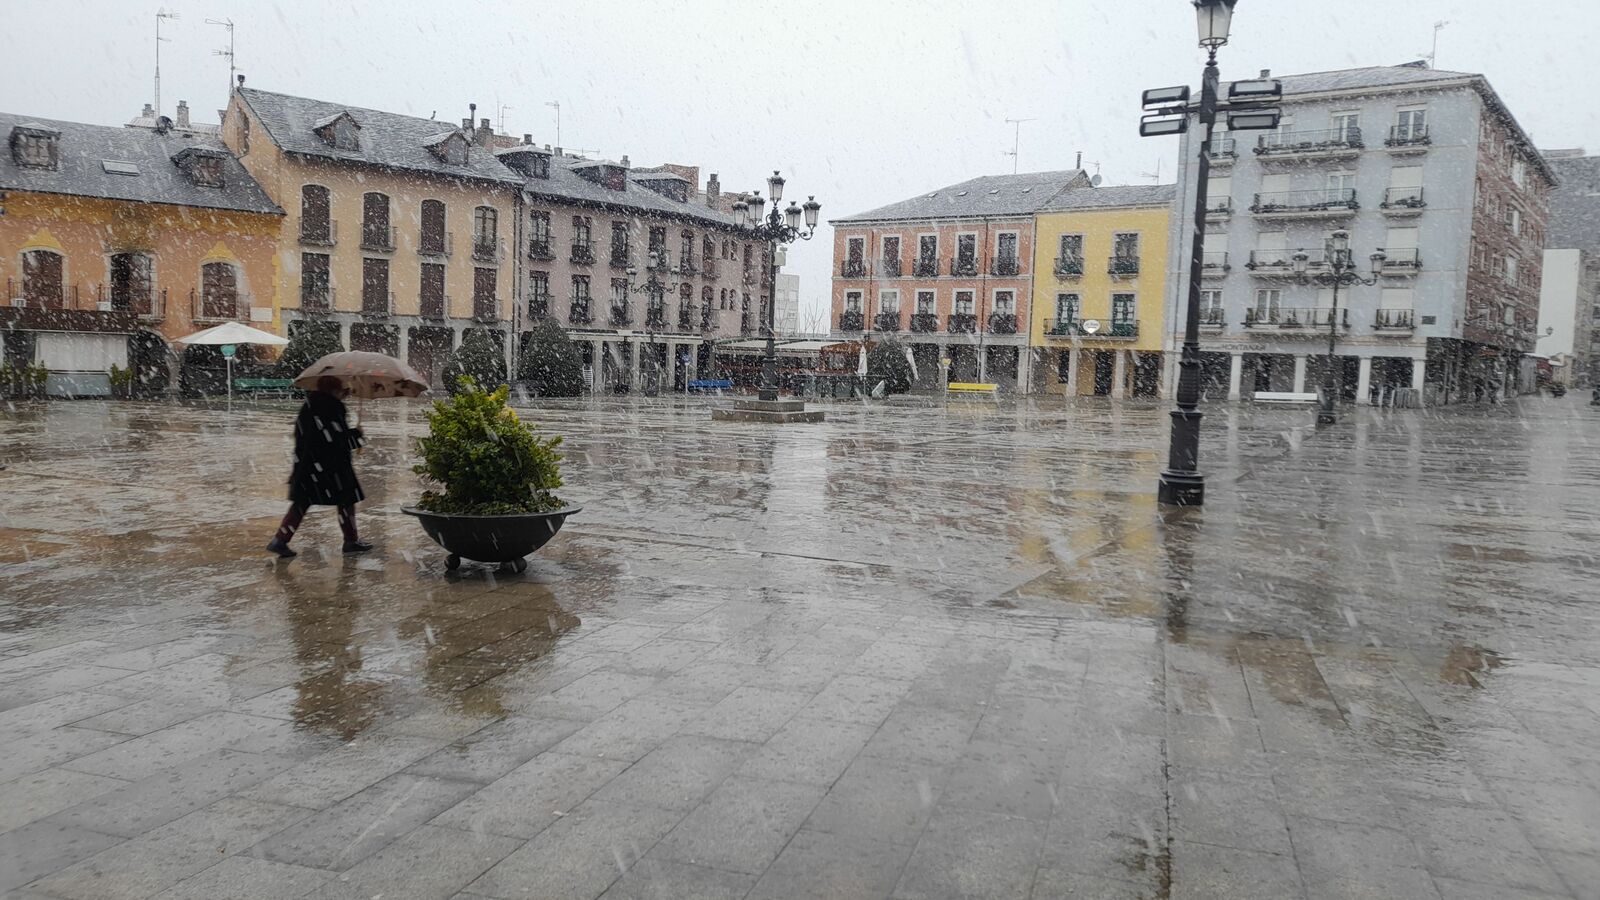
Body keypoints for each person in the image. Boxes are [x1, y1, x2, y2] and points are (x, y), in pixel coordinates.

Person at [266, 375, 372, 558]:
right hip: (333, 467)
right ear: (334, 390)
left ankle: (280, 540)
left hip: (309, 465)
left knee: (301, 503)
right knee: (346, 501)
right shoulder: (332, 407)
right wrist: (356, 434)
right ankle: (351, 540)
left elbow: (315, 434)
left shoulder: (310, 405)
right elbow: (336, 439)